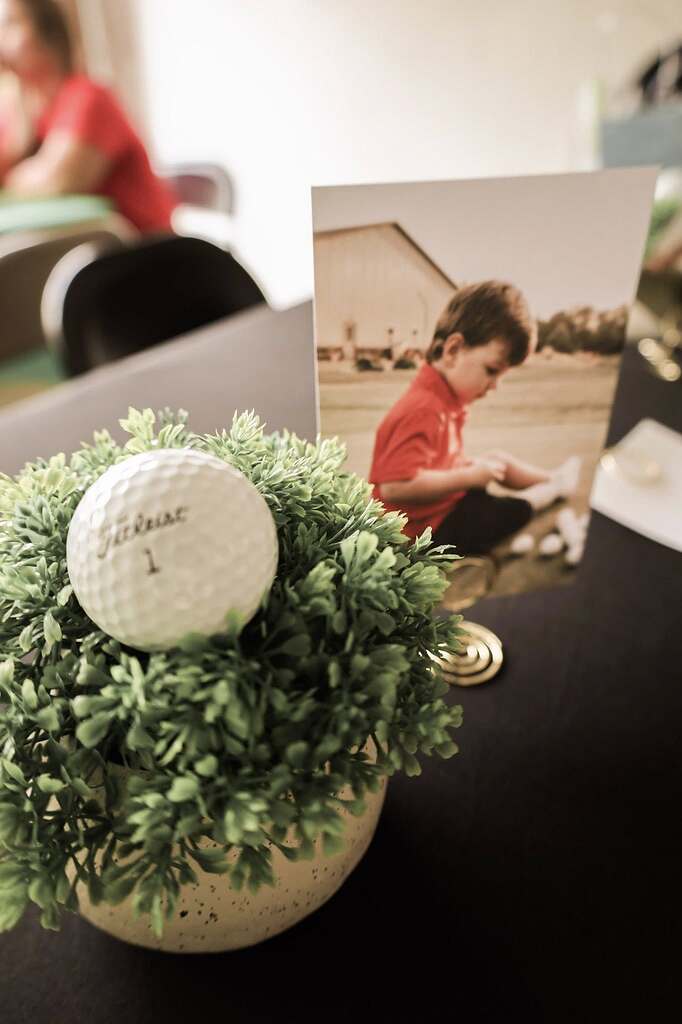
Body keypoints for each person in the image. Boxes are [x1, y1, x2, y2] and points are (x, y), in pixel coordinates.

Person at [369, 281, 580, 554]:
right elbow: (395, 488)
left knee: (496, 460)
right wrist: (468, 477)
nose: (495, 385)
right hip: (420, 531)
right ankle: (550, 492)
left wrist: (470, 472)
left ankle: (553, 479)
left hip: (441, 505)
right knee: (500, 513)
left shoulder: (443, 397)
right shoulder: (424, 408)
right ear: (453, 350)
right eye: (491, 370)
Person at [0, 0, 177, 232]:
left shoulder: (87, 97)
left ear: (49, 35)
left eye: (11, 24)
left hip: (146, 246)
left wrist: (16, 176)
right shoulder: (26, 113)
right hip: (86, 245)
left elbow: (56, 182)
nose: (1, 38)